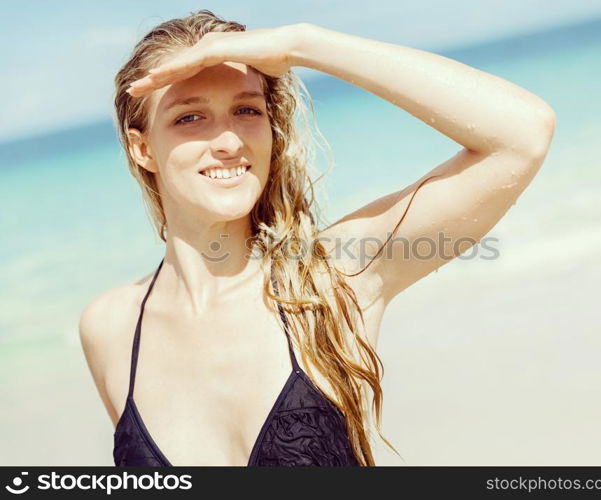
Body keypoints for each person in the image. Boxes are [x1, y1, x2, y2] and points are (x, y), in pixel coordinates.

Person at [79, 10, 556, 467]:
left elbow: (522, 134)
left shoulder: (331, 280)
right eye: (189, 117)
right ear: (143, 148)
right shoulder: (111, 328)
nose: (228, 141)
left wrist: (301, 44)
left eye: (247, 110)